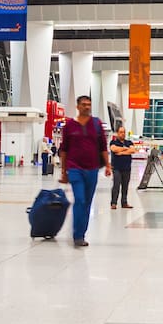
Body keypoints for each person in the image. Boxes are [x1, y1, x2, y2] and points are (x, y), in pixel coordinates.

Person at [58, 95, 111, 247]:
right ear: (77, 107)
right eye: (83, 104)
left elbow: (103, 147)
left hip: (92, 169)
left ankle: (82, 232)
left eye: (89, 104)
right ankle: (78, 235)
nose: (87, 107)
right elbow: (64, 150)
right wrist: (63, 171)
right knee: (80, 200)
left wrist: (107, 165)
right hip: (74, 168)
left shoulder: (96, 124)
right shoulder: (69, 126)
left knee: (87, 202)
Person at [109, 126, 137, 210]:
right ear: (117, 133)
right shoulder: (113, 142)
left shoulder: (129, 142)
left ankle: (124, 202)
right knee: (116, 185)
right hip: (116, 168)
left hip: (127, 168)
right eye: (121, 132)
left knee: (125, 186)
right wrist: (125, 149)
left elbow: (133, 150)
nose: (123, 134)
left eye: (124, 132)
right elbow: (114, 149)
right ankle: (113, 203)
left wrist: (121, 153)